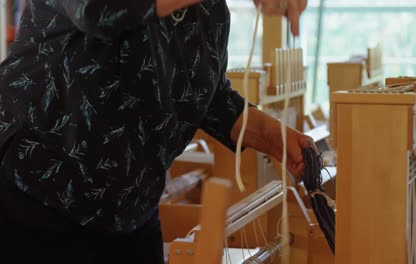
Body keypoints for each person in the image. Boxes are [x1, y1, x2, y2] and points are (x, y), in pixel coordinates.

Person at [0, 0, 310, 263]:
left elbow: (207, 97)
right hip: (33, 196)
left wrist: (276, 140)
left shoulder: (208, 11)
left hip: (131, 213)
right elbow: (98, 10)